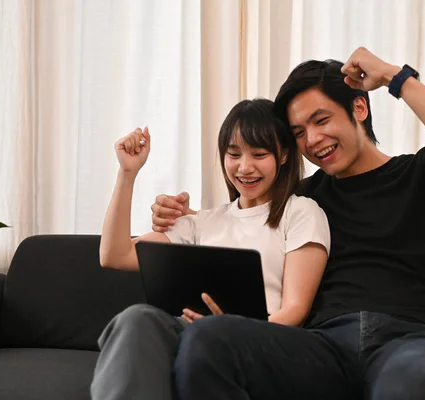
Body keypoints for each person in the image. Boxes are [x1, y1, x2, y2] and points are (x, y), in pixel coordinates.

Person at [150, 47, 425, 399]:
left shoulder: (421, 175)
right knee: (207, 340)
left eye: (321, 120)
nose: (313, 140)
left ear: (359, 107)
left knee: (412, 384)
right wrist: (183, 215)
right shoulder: (301, 201)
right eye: (299, 132)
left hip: (414, 342)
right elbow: (243, 218)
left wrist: (395, 78)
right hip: (323, 347)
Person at [91, 98, 331, 400]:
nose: (245, 167)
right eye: (234, 154)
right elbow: (114, 256)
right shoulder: (202, 222)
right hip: (188, 329)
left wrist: (227, 326)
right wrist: (127, 174)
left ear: (283, 155)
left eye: (259, 154)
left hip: (256, 338)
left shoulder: (301, 213)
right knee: (136, 318)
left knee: (206, 338)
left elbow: (295, 310)